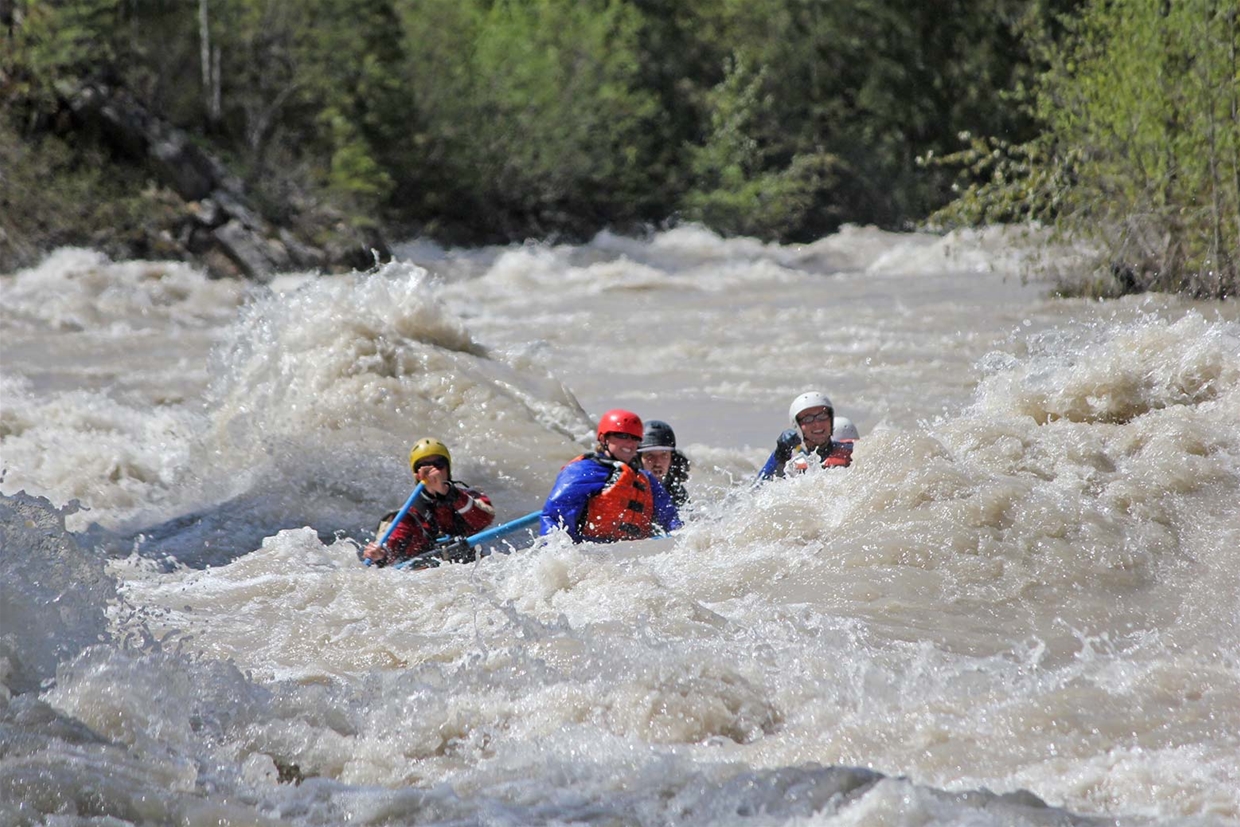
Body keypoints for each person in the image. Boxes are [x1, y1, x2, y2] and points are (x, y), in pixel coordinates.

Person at [541, 409, 682, 543]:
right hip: (590, 553)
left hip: (631, 554)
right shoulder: (583, 471)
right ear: (603, 438)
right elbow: (553, 518)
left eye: (635, 438)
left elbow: (671, 519)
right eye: (622, 436)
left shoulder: (646, 479)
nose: (629, 442)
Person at [363, 438, 496, 567]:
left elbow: (485, 518)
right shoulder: (408, 515)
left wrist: (448, 493)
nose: (433, 472)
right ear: (417, 475)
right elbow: (390, 548)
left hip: (469, 568)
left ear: (447, 469)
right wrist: (380, 554)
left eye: (438, 464)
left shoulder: (468, 497)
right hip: (426, 575)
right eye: (423, 467)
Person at [757, 391, 853, 481]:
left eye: (822, 416)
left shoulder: (851, 452)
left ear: (831, 420)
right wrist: (779, 455)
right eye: (808, 419)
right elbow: (756, 490)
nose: (817, 424)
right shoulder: (791, 466)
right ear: (797, 426)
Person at [637, 419, 691, 508]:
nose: (657, 463)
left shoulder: (677, 492)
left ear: (672, 460)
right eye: (650, 456)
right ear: (638, 460)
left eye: (664, 455)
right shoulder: (628, 488)